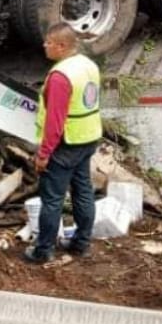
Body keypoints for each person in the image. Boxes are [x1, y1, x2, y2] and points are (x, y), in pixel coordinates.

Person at [23, 23, 102, 264]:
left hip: (66, 143)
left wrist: (44, 153)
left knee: (52, 199)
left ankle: (43, 250)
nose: (44, 46)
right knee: (84, 192)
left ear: (62, 46)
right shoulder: (87, 65)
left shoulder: (60, 77)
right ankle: (81, 243)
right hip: (87, 138)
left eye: (48, 42)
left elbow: (55, 122)